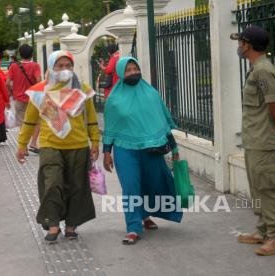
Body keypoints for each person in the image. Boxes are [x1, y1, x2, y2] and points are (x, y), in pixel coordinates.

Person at [16, 50, 100, 243]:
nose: (64, 69)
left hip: (78, 145)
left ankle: (71, 225)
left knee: (77, 186)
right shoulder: (39, 92)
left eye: (68, 65)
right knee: (52, 184)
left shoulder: (83, 90)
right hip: (49, 144)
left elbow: (91, 119)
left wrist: (94, 141)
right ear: (51, 67)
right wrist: (22, 144)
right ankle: (52, 224)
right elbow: (29, 121)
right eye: (59, 65)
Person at [231, 26, 275, 256]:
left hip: (264, 141)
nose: (239, 46)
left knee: (268, 189)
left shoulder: (264, 71)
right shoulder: (255, 69)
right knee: (257, 188)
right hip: (254, 139)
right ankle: (263, 230)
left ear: (248, 44)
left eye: (240, 42)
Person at [103, 57, 182, 245]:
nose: (132, 73)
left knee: (151, 183)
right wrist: (107, 152)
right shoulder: (113, 99)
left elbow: (161, 121)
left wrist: (175, 147)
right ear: (121, 73)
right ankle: (133, 227)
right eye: (128, 70)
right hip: (124, 149)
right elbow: (111, 127)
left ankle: (145, 215)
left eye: (135, 69)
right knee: (130, 186)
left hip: (151, 148)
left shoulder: (151, 94)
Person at [7, 44, 41, 153]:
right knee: (37, 121)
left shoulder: (13, 66)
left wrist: (12, 92)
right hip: (33, 99)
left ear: (20, 54)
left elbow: (7, 82)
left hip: (19, 99)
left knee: (22, 122)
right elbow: (39, 80)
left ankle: (24, 147)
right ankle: (34, 143)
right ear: (32, 54)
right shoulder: (35, 66)